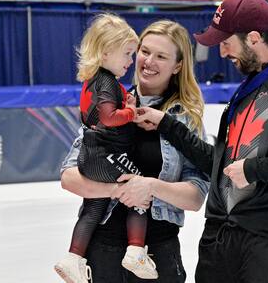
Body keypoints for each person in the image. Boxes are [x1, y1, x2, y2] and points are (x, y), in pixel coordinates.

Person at [135, 0, 268, 283]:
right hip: (219, 241)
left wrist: (255, 169)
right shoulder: (244, 91)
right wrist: (167, 125)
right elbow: (222, 164)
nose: (222, 52)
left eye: (226, 42)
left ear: (254, 38)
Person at [59, 19, 209, 283]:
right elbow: (69, 177)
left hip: (157, 254)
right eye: (144, 51)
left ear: (178, 66)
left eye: (161, 56)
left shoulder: (184, 118)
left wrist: (150, 186)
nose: (148, 61)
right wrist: (116, 191)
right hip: (102, 250)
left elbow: (195, 198)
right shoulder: (110, 102)